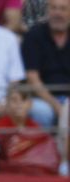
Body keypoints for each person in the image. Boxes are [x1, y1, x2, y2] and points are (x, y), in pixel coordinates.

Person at [0, 79, 63, 171]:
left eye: (23, 100)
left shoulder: (35, 128)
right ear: (7, 104)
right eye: (14, 100)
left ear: (30, 104)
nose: (19, 104)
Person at [20, 0, 69, 128]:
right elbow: (32, 77)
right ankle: (44, 148)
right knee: (41, 112)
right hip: (43, 99)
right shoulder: (34, 36)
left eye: (63, 9)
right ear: (47, 10)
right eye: (54, 8)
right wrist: (56, 106)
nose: (58, 13)